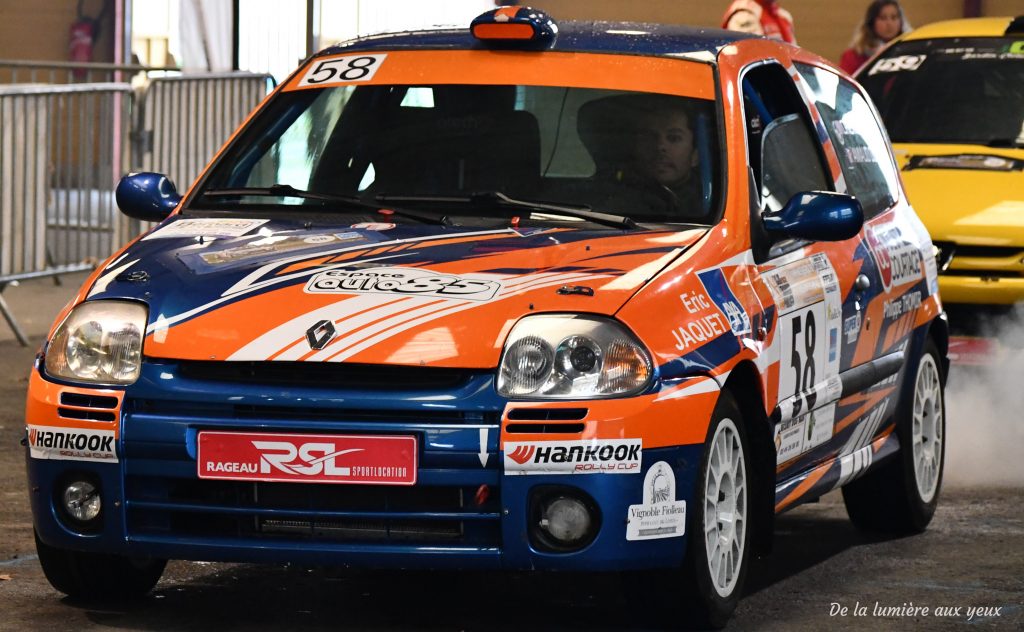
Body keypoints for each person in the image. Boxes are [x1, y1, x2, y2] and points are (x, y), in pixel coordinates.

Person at [628, 103, 702, 216]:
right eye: (650, 137)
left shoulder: (714, 202)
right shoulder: (611, 197)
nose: (660, 146)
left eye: (674, 138)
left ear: (695, 155)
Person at [839, 0, 910, 74]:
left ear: (901, 22)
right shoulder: (854, 56)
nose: (889, 23)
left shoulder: (911, 50)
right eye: (883, 18)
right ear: (872, 23)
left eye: (894, 17)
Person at [721, 0, 796, 45]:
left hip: (783, 69)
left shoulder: (783, 15)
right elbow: (751, 56)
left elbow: (793, 54)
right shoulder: (744, 14)